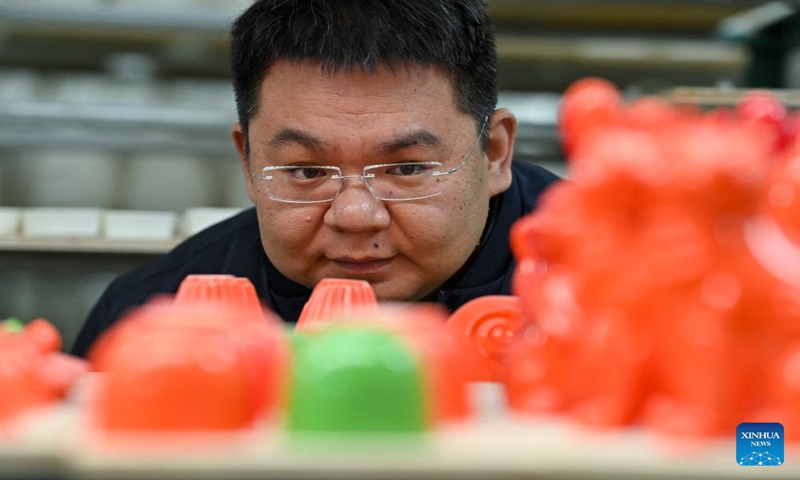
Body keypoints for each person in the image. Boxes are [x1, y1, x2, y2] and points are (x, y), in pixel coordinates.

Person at [71, 0, 559, 357]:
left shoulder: (596, 284)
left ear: (494, 154)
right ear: (248, 161)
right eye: (306, 171)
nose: (355, 216)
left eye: (407, 168)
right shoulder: (151, 319)